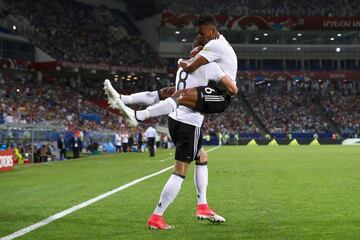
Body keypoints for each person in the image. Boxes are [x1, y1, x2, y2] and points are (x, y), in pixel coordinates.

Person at [104, 14, 238, 127]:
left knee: (181, 95)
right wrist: (197, 48)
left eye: (201, 34)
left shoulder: (216, 45)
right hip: (210, 87)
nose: (199, 37)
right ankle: (121, 99)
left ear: (212, 31)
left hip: (221, 95)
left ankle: (138, 116)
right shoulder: (215, 41)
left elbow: (191, 67)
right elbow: (194, 52)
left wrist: (180, 61)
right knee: (166, 92)